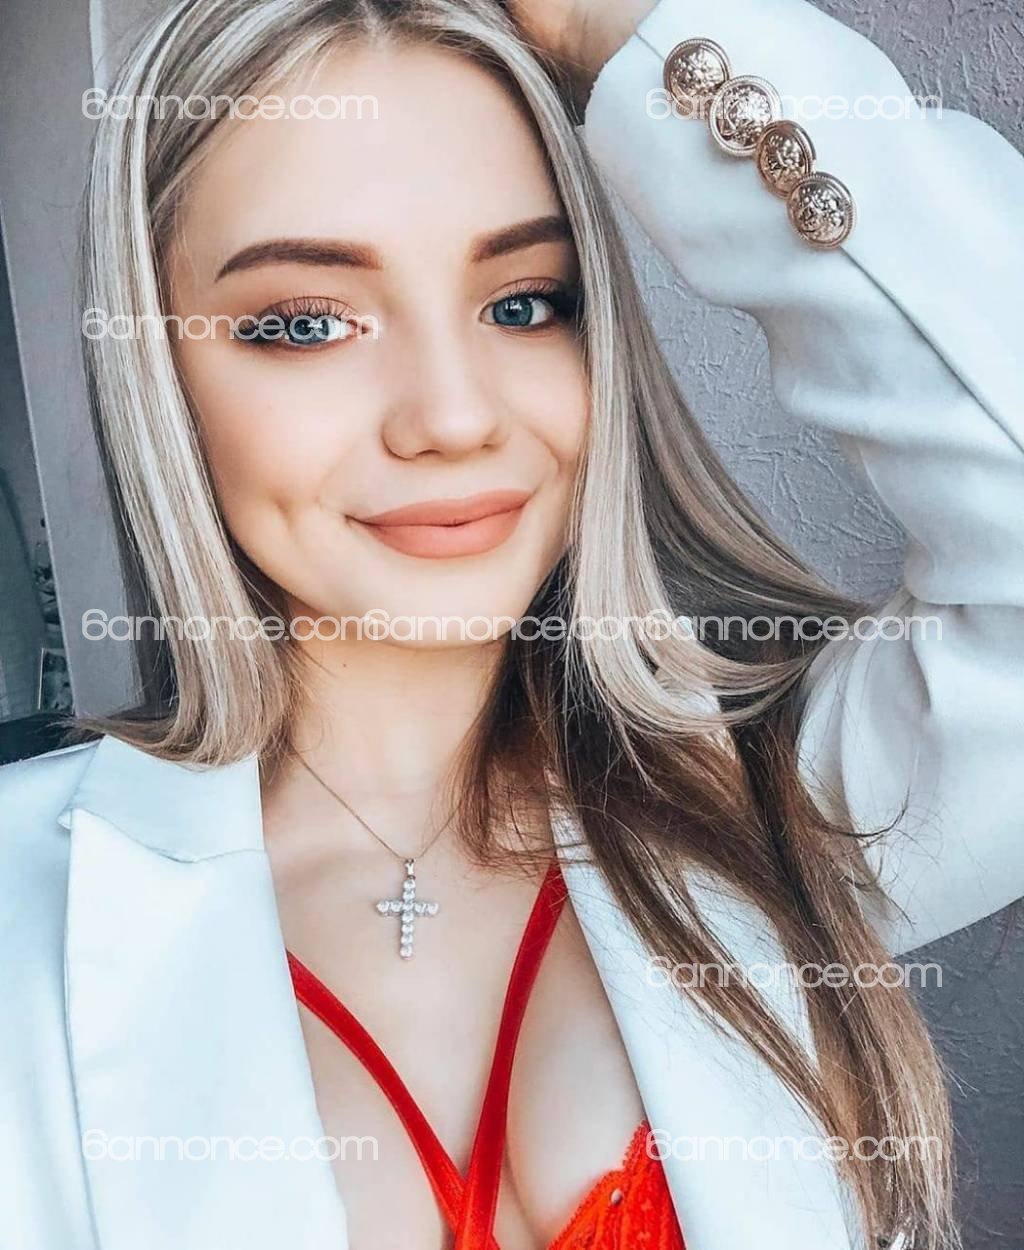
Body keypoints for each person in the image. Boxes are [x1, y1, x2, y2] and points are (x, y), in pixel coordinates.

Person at [1, 0, 1021, 1247]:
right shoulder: (25, 913)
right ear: (160, 370)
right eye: (306, 322)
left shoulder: (781, 797)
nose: (452, 414)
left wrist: (636, 30)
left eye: (524, 302)